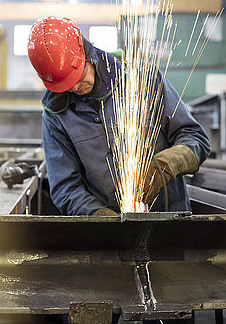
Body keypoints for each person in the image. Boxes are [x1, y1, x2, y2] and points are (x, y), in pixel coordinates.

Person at [28, 16, 210, 216]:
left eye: (78, 77)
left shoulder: (143, 79)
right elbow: (65, 187)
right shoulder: (56, 114)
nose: (75, 88)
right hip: (109, 236)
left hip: (171, 220)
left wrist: (167, 164)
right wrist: (97, 215)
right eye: (66, 85)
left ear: (87, 54)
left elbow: (196, 139)